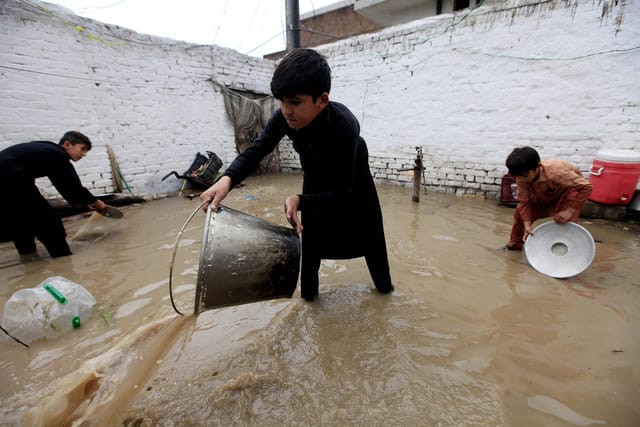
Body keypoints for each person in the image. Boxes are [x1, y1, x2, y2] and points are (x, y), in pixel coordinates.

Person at [200, 48, 394, 301]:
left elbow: (343, 192)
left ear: (322, 100)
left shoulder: (345, 126)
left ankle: (387, 297)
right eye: (281, 101)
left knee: (373, 247)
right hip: (314, 179)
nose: (286, 110)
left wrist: (299, 200)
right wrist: (226, 180)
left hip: (353, 187)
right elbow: (258, 149)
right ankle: (309, 305)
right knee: (311, 250)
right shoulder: (285, 117)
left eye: (294, 102)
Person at [0, 131, 107, 260]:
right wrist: (95, 201)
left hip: (7, 182)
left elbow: (62, 184)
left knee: (19, 219)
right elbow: (70, 185)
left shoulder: (47, 151)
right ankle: (63, 258)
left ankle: (28, 256)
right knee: (47, 219)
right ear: (67, 144)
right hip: (10, 179)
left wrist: (83, 201)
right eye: (82, 149)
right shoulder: (57, 154)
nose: (83, 154)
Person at [503, 146, 593, 250]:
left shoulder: (557, 172)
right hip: (544, 193)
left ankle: (567, 251)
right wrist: (527, 225)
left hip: (567, 192)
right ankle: (515, 244)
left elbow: (587, 187)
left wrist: (569, 210)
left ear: (537, 166)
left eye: (524, 175)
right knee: (520, 213)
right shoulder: (522, 178)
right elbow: (524, 202)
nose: (521, 179)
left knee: (566, 221)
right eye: (518, 176)